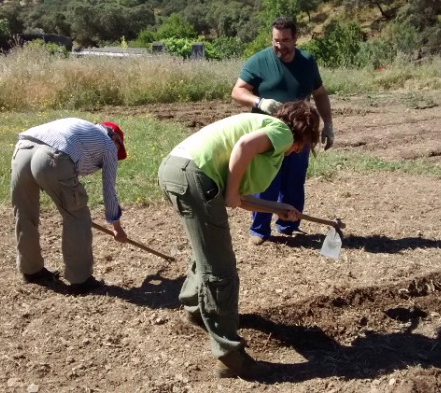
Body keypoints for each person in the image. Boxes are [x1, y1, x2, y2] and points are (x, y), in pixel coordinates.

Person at [158, 101, 321, 379]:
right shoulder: (282, 132)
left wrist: (276, 208)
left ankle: (195, 308)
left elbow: (237, 199)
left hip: (174, 170)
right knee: (221, 272)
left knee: (208, 251)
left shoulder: (263, 128)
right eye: (304, 143)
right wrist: (232, 191)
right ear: (302, 132)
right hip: (194, 175)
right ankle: (230, 358)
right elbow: (243, 149)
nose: (300, 150)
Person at [231, 16, 335, 245]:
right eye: (276, 41)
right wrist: (259, 102)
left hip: (300, 133)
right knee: (265, 182)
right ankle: (259, 230)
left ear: (296, 38)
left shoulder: (307, 62)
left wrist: (327, 124)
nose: (281, 46)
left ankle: (289, 225)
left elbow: (319, 94)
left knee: (294, 181)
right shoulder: (258, 61)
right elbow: (237, 92)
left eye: (286, 40)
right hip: (268, 135)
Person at [10, 117, 128, 295]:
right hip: (52, 154)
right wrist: (117, 227)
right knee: (77, 216)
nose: (116, 154)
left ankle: (31, 269)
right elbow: (109, 190)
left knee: (24, 213)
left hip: (22, 149)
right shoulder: (108, 145)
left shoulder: (81, 128)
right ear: (115, 140)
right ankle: (81, 280)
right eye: (119, 149)